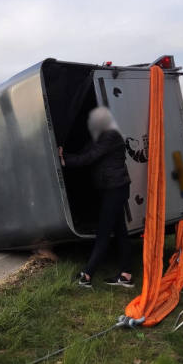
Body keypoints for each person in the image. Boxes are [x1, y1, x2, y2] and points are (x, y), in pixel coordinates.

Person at [58, 106, 133, 288]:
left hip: (115, 190)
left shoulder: (110, 136)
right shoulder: (102, 136)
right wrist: (64, 154)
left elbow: (90, 157)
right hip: (115, 188)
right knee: (121, 232)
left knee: (103, 231)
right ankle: (126, 275)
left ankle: (87, 275)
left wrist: (65, 160)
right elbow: (86, 152)